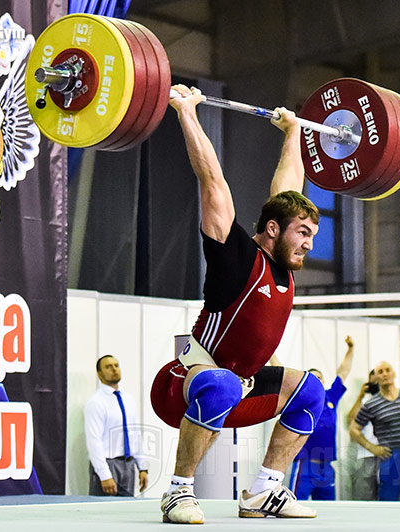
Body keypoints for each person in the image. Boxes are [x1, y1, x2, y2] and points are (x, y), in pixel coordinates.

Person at [151, 84, 323, 524]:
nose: (307, 243)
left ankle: (265, 490)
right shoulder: (234, 258)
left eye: (311, 235)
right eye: (301, 233)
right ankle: (178, 493)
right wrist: (185, 111)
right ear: (272, 229)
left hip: (241, 391)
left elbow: (287, 191)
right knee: (223, 383)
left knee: (310, 388)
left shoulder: (283, 266)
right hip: (183, 385)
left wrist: (293, 133)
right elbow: (212, 181)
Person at [349, 361, 400, 502]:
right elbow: (354, 429)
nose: (385, 374)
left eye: (388, 370)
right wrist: (373, 448)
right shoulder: (371, 405)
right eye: (380, 372)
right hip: (389, 456)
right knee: (388, 501)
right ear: (375, 378)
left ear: (394, 374)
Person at [289, 336, 355, 500]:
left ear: (324, 381)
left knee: (328, 510)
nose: (317, 380)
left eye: (319, 377)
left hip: (326, 468)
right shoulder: (299, 398)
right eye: (312, 378)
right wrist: (270, 354)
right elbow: (279, 369)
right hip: (305, 464)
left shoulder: (331, 396)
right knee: (294, 505)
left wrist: (351, 349)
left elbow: (343, 372)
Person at [84, 355, 149, 496]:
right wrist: (104, 474)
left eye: (116, 365)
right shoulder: (96, 403)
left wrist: (142, 467)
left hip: (128, 465)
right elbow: (94, 441)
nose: (114, 369)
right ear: (99, 374)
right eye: (108, 367)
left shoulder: (128, 399)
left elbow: (135, 434)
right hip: (108, 464)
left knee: (125, 512)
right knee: (102, 513)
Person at [347, 369, 380, 500]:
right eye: (374, 379)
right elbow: (350, 421)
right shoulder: (364, 400)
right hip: (366, 453)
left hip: (387, 453)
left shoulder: (391, 397)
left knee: (388, 495)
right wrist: (360, 396)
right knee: (364, 494)